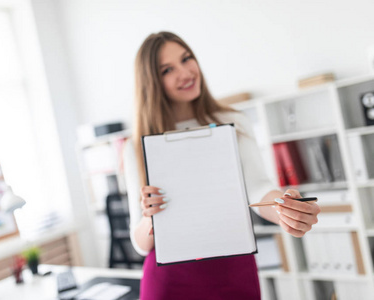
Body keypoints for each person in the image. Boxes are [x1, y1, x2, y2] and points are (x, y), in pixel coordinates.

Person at [123, 31, 321, 300]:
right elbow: (139, 244)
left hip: (232, 272)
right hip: (170, 280)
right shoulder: (135, 146)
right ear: (151, 82)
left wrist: (285, 209)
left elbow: (258, 187)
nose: (185, 72)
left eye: (186, 58)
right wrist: (149, 216)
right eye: (168, 69)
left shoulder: (233, 121)